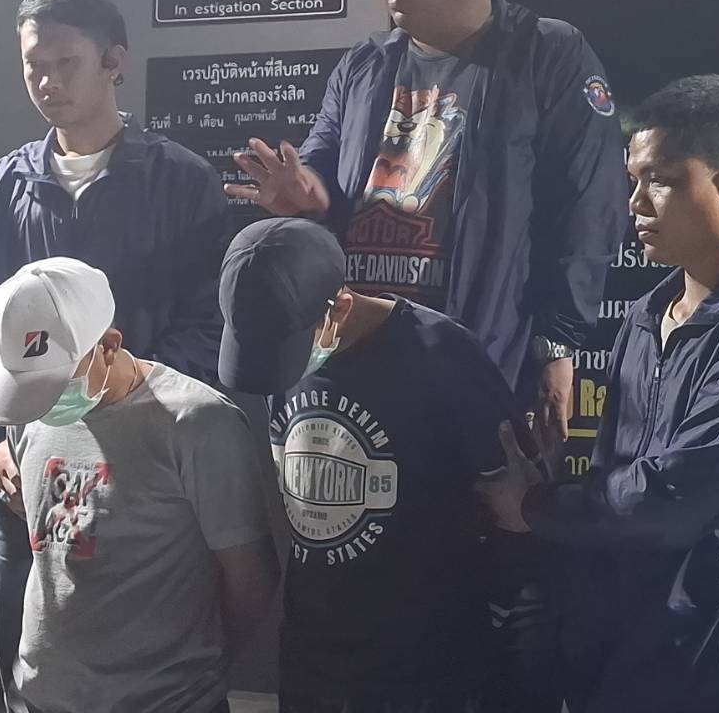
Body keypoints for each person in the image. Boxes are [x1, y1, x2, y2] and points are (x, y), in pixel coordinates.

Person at [479, 75, 719, 712]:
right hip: (634, 663)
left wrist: (536, 507)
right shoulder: (646, 316)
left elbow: (677, 497)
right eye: (632, 180)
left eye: (661, 180)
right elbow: (618, 482)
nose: (636, 203)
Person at [224, 0, 626, 447]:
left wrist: (558, 343)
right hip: (356, 356)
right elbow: (319, 167)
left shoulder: (547, 53)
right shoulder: (363, 65)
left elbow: (587, 207)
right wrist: (307, 196)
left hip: (479, 355)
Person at [0, 0, 232, 703]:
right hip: (22, 460)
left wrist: (134, 413)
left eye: (66, 62)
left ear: (114, 62)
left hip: (146, 464)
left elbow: (208, 319)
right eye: (34, 66)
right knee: (29, 652)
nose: (48, 81)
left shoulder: (182, 182)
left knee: (146, 649)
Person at [217, 217, 525, 712]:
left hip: (420, 668)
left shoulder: (443, 356)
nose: (282, 368)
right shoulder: (275, 339)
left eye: (290, 350)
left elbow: (516, 509)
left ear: (339, 307)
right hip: (311, 657)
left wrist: (496, 616)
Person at [0, 257, 276, 713]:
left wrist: (190, 673)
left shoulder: (198, 424)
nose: (40, 403)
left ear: (109, 345)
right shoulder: (26, 414)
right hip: (39, 696)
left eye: (54, 384)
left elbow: (251, 580)